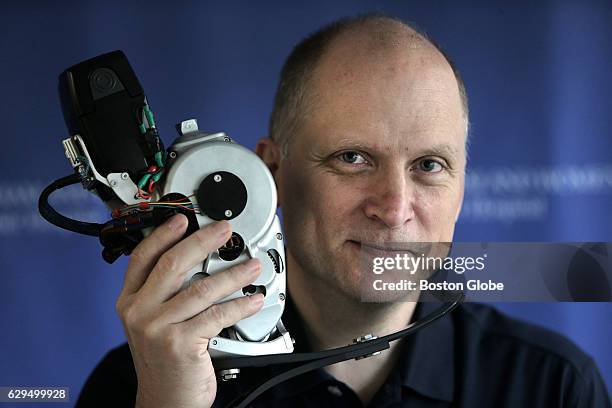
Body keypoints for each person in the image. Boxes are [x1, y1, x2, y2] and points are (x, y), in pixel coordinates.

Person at [76, 14, 610, 408]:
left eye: (429, 164)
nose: (395, 208)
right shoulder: (147, 383)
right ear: (270, 174)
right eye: (352, 159)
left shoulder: (553, 385)